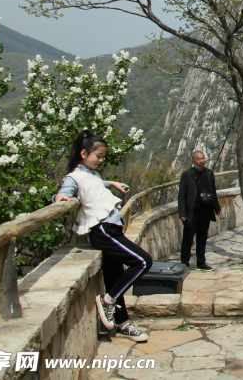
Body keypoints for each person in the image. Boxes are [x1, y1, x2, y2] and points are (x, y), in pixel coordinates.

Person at [54, 130, 152, 342]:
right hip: (103, 230)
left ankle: (123, 323)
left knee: (114, 276)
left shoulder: (93, 175)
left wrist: (111, 184)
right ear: (83, 153)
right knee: (143, 262)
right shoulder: (74, 176)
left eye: (102, 157)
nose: (100, 160)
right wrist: (60, 197)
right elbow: (67, 189)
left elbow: (94, 185)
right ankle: (108, 301)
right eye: (97, 156)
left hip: (112, 229)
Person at [178, 150, 223, 270]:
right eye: (198, 159)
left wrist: (217, 207)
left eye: (203, 158)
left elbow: (213, 192)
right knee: (188, 239)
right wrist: (182, 213)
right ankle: (184, 262)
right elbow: (181, 195)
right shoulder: (187, 175)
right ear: (193, 161)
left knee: (202, 239)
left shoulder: (209, 173)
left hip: (205, 211)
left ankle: (201, 262)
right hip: (191, 212)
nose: (201, 161)